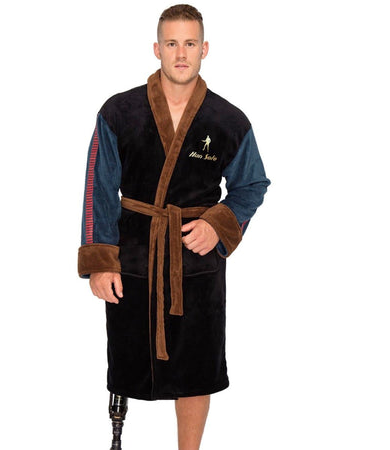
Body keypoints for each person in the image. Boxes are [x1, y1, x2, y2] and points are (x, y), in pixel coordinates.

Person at [78, 4, 270, 449]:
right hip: (135, 257)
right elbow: (98, 188)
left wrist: (218, 225)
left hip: (196, 265)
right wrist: (101, 261)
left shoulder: (228, 120)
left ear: (205, 49)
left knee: (197, 370)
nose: (180, 54)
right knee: (128, 360)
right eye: (171, 43)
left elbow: (252, 184)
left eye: (189, 43)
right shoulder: (119, 111)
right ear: (156, 49)